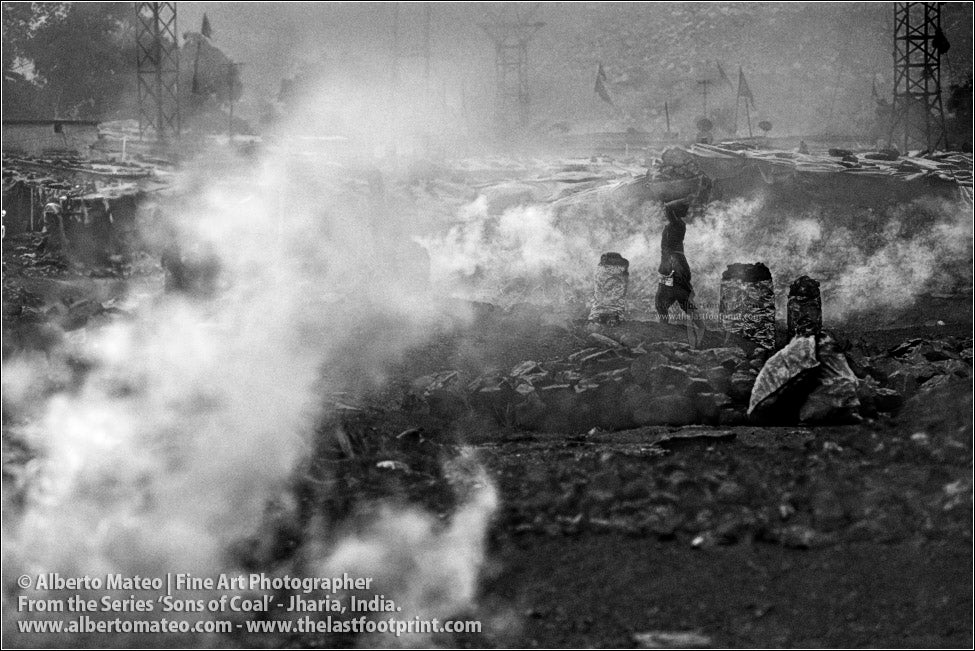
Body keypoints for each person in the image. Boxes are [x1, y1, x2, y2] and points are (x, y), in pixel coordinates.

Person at [655, 199, 705, 346]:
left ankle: (701, 327)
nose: (665, 213)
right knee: (662, 301)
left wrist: (669, 204)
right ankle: (665, 325)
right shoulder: (674, 225)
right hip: (670, 265)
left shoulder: (678, 225)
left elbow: (670, 210)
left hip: (675, 265)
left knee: (680, 298)